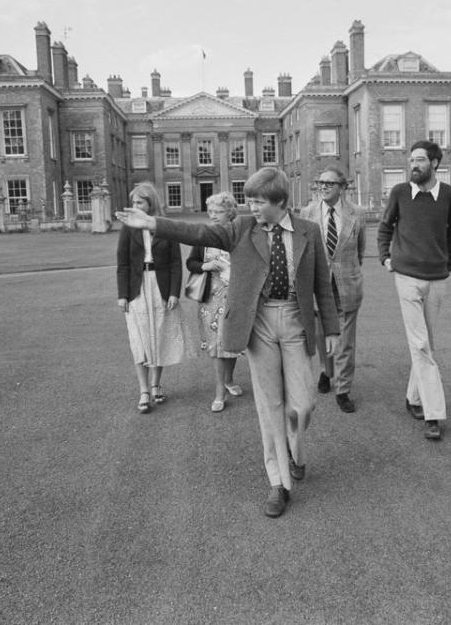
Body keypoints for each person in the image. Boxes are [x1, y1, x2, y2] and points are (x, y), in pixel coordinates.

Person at [116, 169, 339, 518]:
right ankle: (277, 482)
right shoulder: (242, 228)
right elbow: (199, 231)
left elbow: (323, 285)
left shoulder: (309, 231)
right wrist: (152, 223)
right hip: (259, 321)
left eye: (258, 201)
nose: (251, 207)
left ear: (280, 201)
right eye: (249, 200)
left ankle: (295, 450)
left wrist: (334, 330)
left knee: (303, 405)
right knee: (270, 406)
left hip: (296, 321)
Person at [376, 140, 451, 440]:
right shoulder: (400, 192)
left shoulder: (449, 195)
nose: (414, 165)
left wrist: (446, 266)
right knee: (421, 344)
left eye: (420, 160)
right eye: (411, 160)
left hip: (437, 278)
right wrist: (386, 258)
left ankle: (413, 397)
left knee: (426, 343)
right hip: (407, 277)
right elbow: (385, 227)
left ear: (435, 163)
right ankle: (433, 413)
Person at [116, 182, 194, 413]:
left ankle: (156, 384)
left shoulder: (165, 226)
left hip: (160, 287)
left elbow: (175, 264)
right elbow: (123, 263)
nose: (135, 206)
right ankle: (143, 390)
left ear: (151, 203)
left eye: (139, 202)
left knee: (158, 336)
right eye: (134, 202)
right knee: (139, 340)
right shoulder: (128, 228)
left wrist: (173, 293)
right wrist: (122, 295)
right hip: (137, 289)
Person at [302, 166, 365, 413]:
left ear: (342, 187)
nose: (324, 187)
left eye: (330, 183)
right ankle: (326, 372)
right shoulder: (308, 212)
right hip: (318, 286)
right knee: (321, 335)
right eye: (321, 183)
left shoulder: (357, 214)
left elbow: (360, 251)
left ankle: (343, 389)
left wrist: (345, 273)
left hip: (347, 285)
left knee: (345, 341)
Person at [186, 192, 244, 413]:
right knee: (216, 346)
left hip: (235, 297)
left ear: (230, 213)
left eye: (217, 212)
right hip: (210, 299)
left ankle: (229, 380)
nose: (212, 216)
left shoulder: (239, 235)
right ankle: (219, 392)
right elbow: (190, 262)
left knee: (231, 343)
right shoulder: (205, 236)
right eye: (210, 212)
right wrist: (204, 266)